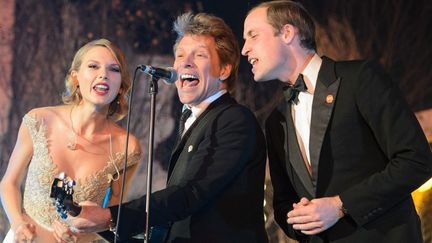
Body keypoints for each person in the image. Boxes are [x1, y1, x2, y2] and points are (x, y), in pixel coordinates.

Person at [66, 12, 268, 243]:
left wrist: (112, 216)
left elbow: (191, 193)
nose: (185, 62)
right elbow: (177, 220)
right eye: (180, 54)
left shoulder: (234, 120)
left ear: (223, 70)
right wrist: (100, 223)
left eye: (199, 55)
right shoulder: (193, 122)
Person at [242, 1, 432, 242]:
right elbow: (282, 204)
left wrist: (340, 205)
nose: (244, 49)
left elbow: (416, 161)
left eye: (253, 36)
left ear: (288, 33)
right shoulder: (275, 121)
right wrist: (302, 220)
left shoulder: (361, 78)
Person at [0, 38, 142, 243]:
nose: (103, 74)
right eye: (93, 66)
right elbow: (9, 183)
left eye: (114, 69)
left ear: (121, 86)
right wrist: (18, 223)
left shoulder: (126, 147)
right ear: (75, 77)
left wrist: (79, 232)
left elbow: (111, 216)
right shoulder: (40, 120)